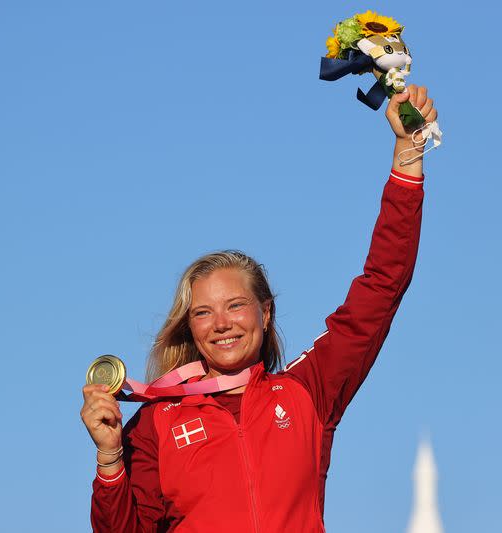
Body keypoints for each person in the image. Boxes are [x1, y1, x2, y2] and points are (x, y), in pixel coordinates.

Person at [81, 85, 438, 532]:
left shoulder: (308, 391)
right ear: (189, 328)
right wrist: (110, 457)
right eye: (203, 313)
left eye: (235, 305)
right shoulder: (156, 422)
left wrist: (408, 152)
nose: (222, 324)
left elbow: (381, 287)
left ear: (265, 313)